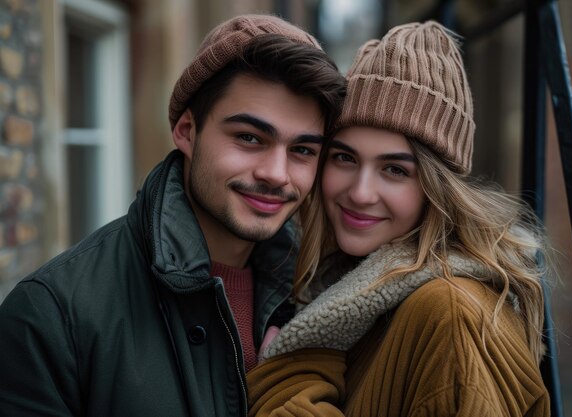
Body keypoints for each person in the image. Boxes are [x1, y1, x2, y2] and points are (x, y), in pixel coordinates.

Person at [0, 14, 345, 417]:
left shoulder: (322, 293)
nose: (275, 173)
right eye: (249, 138)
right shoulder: (52, 316)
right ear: (185, 130)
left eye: (302, 150)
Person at [247, 21, 551, 417]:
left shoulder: (451, 314)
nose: (359, 192)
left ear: (437, 190)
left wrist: (291, 381)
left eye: (395, 170)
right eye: (345, 158)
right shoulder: (345, 285)